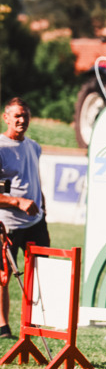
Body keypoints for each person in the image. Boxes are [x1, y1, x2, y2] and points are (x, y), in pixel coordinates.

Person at [0, 98, 50, 339]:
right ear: (6, 118)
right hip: (7, 223)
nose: (22, 120)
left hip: (36, 222)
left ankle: (34, 324)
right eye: (17, 116)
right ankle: (3, 328)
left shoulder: (34, 146)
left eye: (26, 115)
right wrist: (16, 202)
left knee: (41, 273)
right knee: (3, 276)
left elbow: (33, 179)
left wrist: (42, 202)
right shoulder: (0, 147)